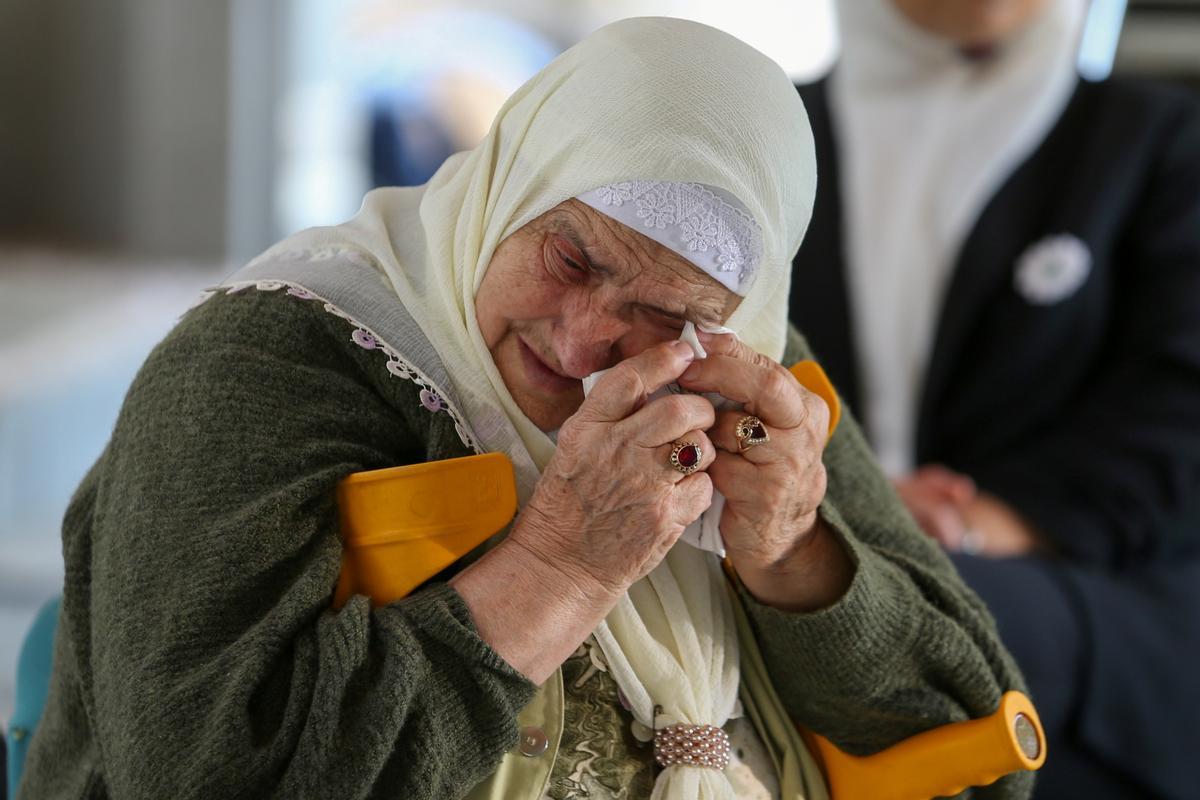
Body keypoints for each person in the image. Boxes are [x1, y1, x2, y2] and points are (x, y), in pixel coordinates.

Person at [19, 18, 1031, 800]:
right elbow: (209, 773)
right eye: (572, 257)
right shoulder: (268, 365)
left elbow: (984, 756)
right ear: (512, 184)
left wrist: (791, 552)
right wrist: (560, 565)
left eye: (662, 315)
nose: (586, 336)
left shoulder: (741, 378)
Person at [790, 2, 1200, 798]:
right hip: (799, 547)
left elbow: (1181, 412)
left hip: (1085, 597)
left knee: (910, 617)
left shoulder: (1159, 142)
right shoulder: (765, 130)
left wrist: (955, 528)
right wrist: (836, 507)